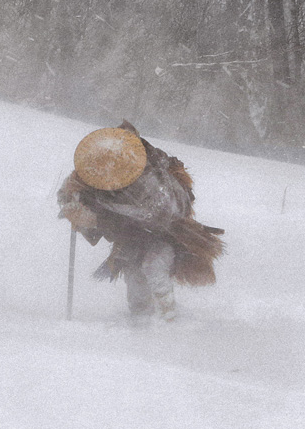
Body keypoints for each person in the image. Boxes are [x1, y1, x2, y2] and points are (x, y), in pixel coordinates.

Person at [57, 122, 224, 321]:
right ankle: (140, 326)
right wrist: (73, 206)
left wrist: (96, 220)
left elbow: (160, 214)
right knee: (135, 282)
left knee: (154, 266)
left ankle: (169, 318)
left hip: (167, 234)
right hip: (132, 240)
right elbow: (70, 194)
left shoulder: (154, 173)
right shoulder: (94, 171)